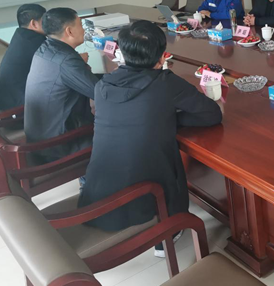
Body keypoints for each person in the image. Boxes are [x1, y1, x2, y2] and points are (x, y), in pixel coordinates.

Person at [78, 20, 222, 256]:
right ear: (163, 56)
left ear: (122, 53)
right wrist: (170, 118)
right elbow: (211, 114)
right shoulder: (165, 83)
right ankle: (166, 234)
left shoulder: (103, 85)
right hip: (151, 200)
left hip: (100, 195)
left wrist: (160, 116)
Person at [24, 8, 97, 165]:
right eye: (80, 25)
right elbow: (100, 92)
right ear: (69, 31)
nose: (84, 29)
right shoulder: (66, 60)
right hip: (60, 145)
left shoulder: (45, 49)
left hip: (42, 139)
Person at [0, 4, 47, 111]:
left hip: (8, 101)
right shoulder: (35, 42)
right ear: (34, 23)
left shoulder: (21, 36)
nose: (48, 24)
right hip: (20, 107)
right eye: (45, 21)